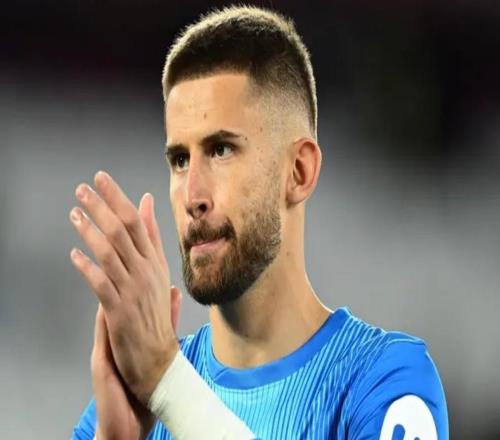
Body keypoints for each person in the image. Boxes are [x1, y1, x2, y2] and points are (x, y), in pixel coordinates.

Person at [70, 5, 448, 439]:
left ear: (299, 172)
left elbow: (167, 386)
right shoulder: (130, 408)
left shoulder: (385, 383)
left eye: (221, 150)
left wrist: (167, 383)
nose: (193, 196)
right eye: (180, 160)